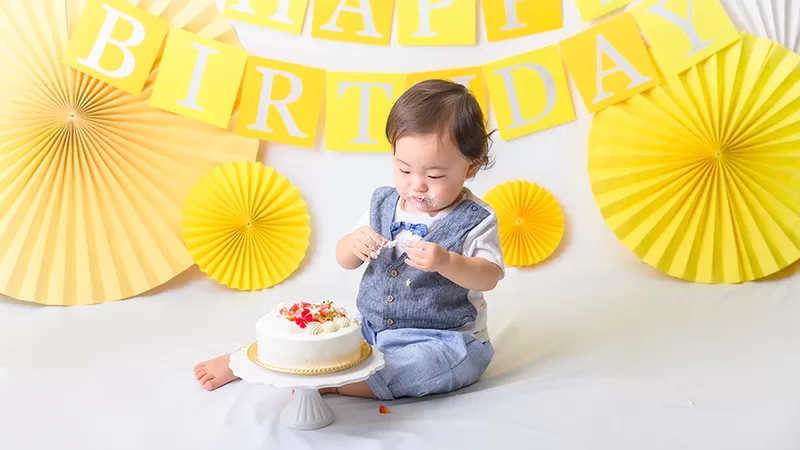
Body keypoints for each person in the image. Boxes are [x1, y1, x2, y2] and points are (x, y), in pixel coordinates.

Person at [194, 79, 505, 401]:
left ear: (470, 168)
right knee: (320, 335)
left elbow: (489, 276)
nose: (417, 186)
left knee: (424, 365)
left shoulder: (476, 219)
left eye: (434, 176)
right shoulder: (384, 203)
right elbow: (344, 259)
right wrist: (353, 244)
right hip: (371, 328)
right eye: (404, 170)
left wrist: (448, 262)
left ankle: (333, 382)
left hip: (442, 338)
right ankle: (250, 359)